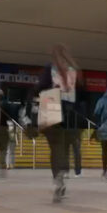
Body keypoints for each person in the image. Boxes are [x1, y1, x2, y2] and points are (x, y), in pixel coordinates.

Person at [29, 44, 79, 202]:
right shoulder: (73, 70)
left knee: (55, 147)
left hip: (52, 108)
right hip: (70, 113)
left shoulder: (50, 68)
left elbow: (41, 87)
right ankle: (63, 172)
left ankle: (58, 178)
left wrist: (32, 95)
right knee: (63, 147)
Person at [53, 45, 83, 178]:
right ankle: (65, 170)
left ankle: (76, 171)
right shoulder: (56, 72)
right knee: (66, 147)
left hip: (70, 112)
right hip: (62, 110)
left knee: (74, 147)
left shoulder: (71, 72)